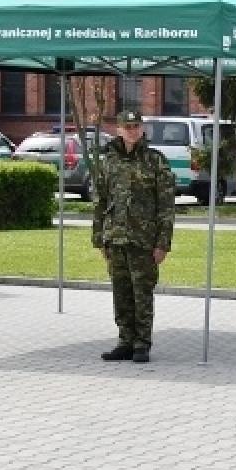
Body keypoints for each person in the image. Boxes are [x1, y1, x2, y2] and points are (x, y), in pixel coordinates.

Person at [92, 110, 174, 364]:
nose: (132, 131)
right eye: (127, 127)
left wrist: (162, 243)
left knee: (142, 293)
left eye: (136, 126)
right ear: (118, 129)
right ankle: (125, 341)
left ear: (142, 129)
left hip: (143, 240)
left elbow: (166, 206)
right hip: (115, 238)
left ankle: (142, 344)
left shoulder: (155, 161)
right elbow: (100, 201)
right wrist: (99, 238)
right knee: (121, 293)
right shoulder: (108, 161)